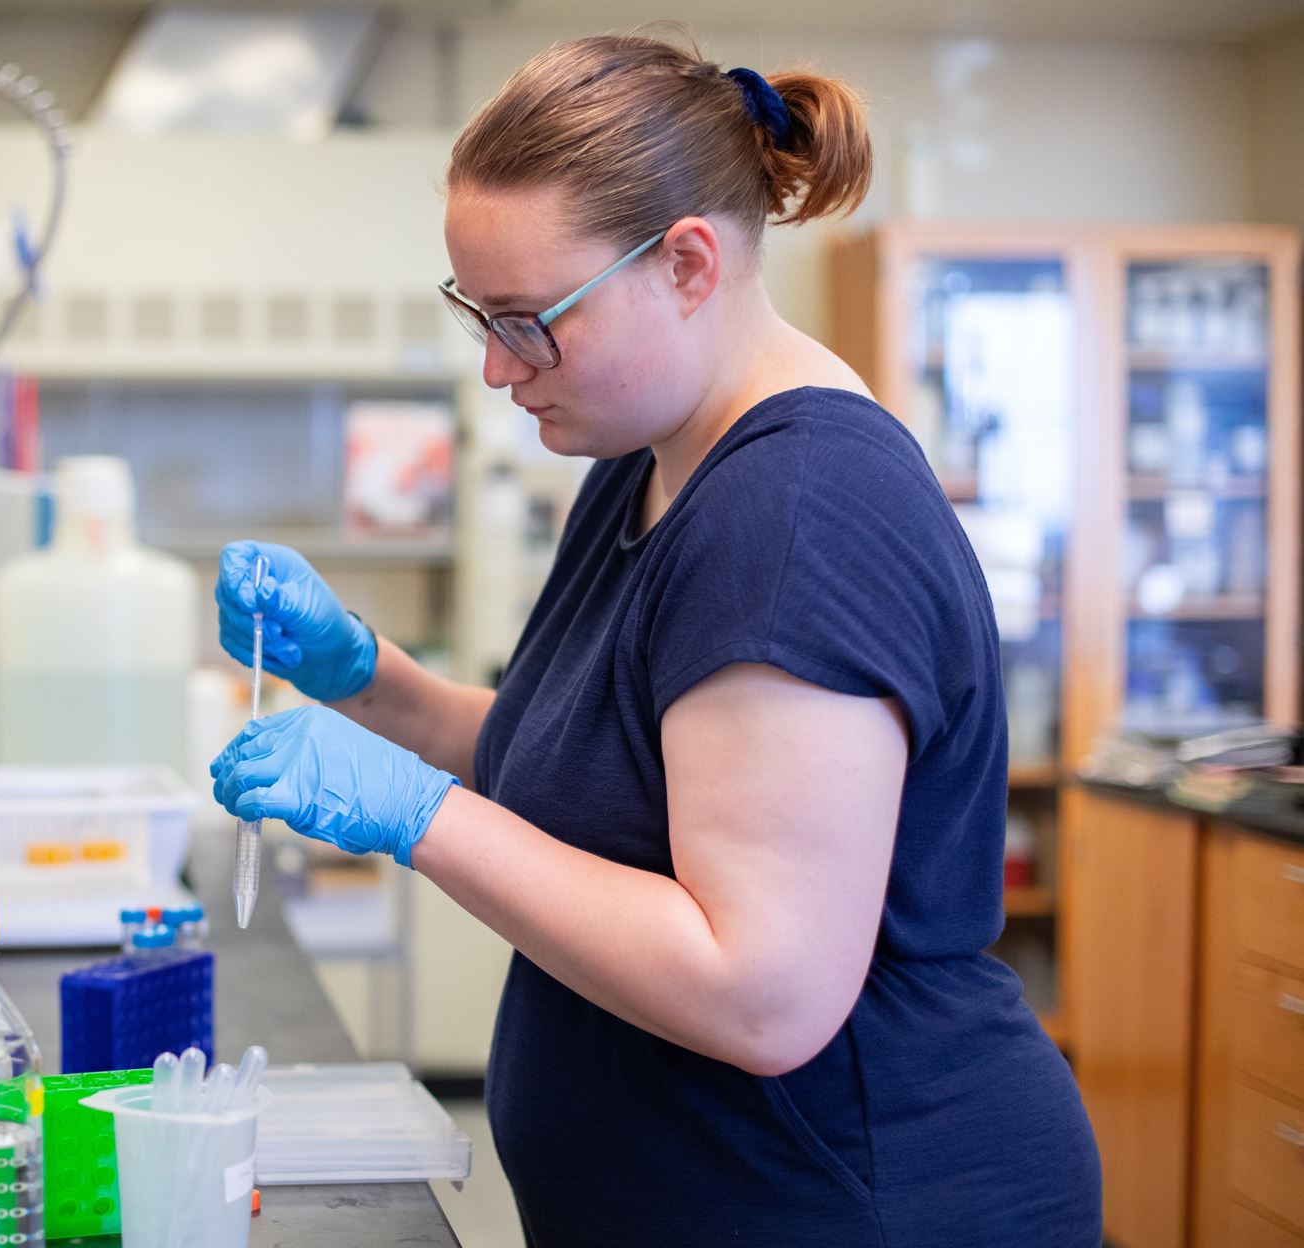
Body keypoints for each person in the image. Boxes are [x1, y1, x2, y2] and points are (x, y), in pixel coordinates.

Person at [208, 32, 1102, 1248]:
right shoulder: (643, 460)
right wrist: (366, 677)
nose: (493, 366)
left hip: (858, 1202)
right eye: (477, 312)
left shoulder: (797, 516)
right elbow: (586, 757)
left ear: (687, 263)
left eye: (527, 320)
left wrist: (421, 818)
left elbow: (764, 992)